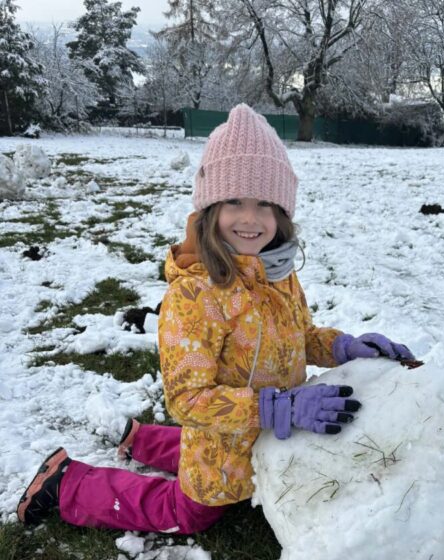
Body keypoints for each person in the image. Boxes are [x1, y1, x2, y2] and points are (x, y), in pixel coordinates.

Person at [17, 104, 417, 536]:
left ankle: (140, 439)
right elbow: (188, 400)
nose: (250, 219)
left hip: (267, 440)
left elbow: (301, 336)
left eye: (265, 204)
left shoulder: (278, 274)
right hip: (220, 455)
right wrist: (278, 407)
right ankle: (69, 483)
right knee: (183, 514)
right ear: (210, 209)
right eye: (234, 202)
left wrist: (342, 347)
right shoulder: (194, 295)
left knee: (224, 464)